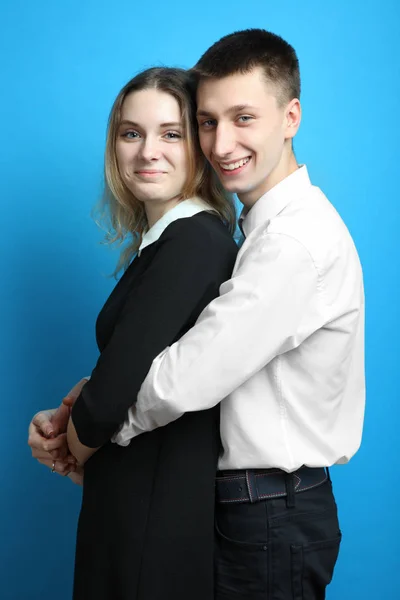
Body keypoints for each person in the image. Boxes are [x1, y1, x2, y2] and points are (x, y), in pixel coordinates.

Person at [30, 28, 365, 599]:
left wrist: (82, 431)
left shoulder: (289, 242)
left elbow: (180, 381)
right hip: (247, 505)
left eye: (244, 118)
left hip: (269, 511)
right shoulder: (256, 232)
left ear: (291, 117)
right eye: (209, 122)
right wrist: (90, 399)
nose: (222, 142)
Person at [28, 66, 238, 600]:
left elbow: (112, 397)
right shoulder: (168, 240)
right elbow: (135, 362)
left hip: (151, 517)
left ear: (202, 146)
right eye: (131, 133)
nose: (148, 152)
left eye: (172, 133)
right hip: (133, 503)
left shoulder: (194, 241)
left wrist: (66, 444)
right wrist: (73, 412)